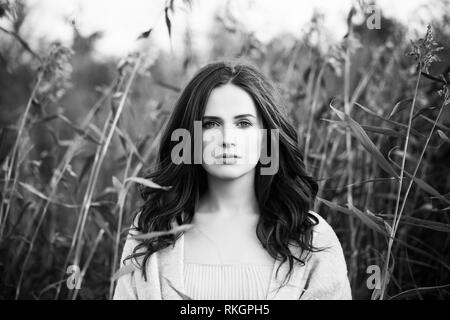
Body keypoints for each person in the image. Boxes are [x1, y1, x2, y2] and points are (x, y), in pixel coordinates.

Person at [113, 59, 352, 300]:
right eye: (211, 124)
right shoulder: (152, 231)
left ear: (267, 136)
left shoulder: (311, 236)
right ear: (189, 137)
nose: (227, 138)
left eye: (244, 123)